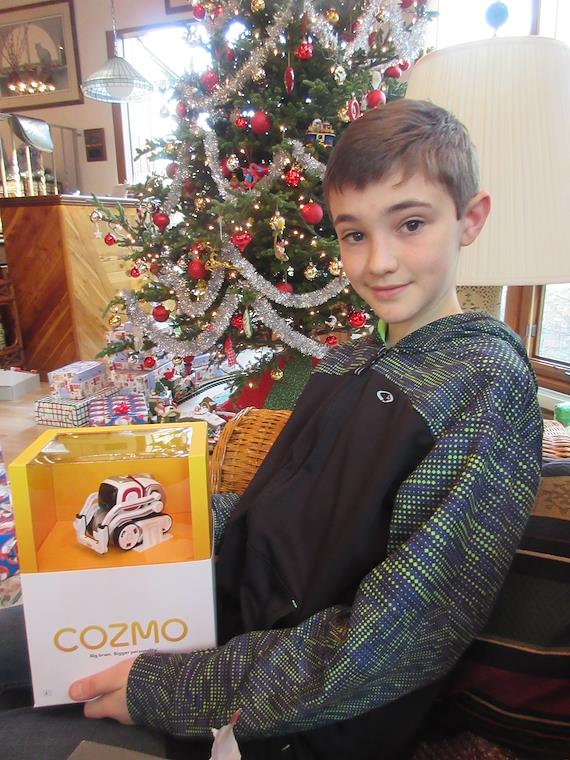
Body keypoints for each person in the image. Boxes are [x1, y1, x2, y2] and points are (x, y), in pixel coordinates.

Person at [0, 99, 543, 760]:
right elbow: (277, 512)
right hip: (207, 625)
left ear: (470, 219)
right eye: (354, 234)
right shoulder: (348, 360)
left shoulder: (484, 385)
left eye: (410, 224)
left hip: (279, 723)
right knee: (19, 639)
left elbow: (402, 637)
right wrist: (171, 517)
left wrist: (170, 690)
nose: (378, 261)